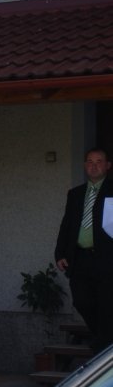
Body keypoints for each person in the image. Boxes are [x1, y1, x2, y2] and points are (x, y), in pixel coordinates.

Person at [55, 147, 113, 353]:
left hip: (106, 258)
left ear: (108, 165)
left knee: (106, 304)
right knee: (81, 301)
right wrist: (60, 253)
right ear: (84, 166)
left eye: (99, 161)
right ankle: (105, 339)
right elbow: (67, 225)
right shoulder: (76, 194)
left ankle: (103, 345)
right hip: (80, 257)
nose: (93, 166)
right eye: (89, 161)